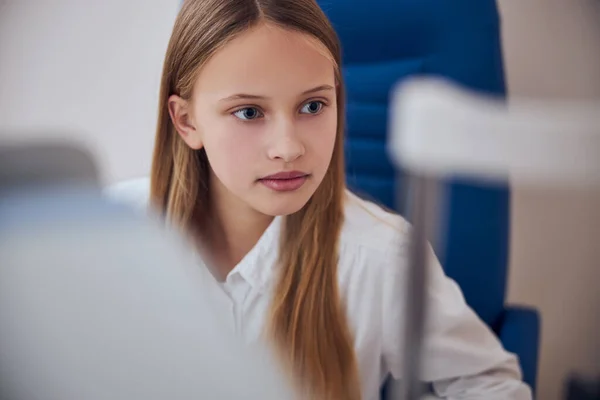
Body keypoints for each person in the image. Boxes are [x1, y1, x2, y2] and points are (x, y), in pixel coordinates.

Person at [108, 0, 532, 399]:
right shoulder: (107, 236)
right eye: (249, 112)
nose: (288, 147)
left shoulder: (382, 257)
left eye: (313, 105)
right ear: (186, 121)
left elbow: (493, 385)